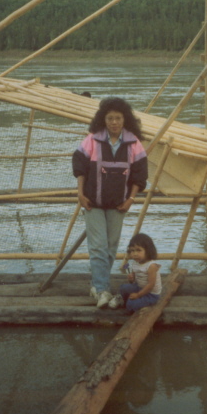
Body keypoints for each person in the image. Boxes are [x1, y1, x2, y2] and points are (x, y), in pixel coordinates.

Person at [72, 97, 148, 308]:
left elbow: (140, 175)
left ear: (125, 120)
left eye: (118, 118)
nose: (114, 122)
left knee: (111, 248)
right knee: (98, 247)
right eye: (110, 118)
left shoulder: (134, 143)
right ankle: (103, 290)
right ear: (103, 119)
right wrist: (80, 194)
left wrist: (130, 199)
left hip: (118, 205)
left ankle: (97, 287)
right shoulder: (92, 140)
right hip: (92, 203)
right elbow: (79, 166)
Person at [109, 233, 162, 313]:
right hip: (140, 288)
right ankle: (122, 300)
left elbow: (151, 285)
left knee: (131, 305)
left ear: (148, 251)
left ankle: (135, 303)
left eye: (138, 250)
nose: (135, 253)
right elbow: (134, 281)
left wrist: (138, 295)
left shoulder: (151, 266)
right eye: (132, 251)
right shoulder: (135, 263)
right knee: (123, 287)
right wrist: (131, 279)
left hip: (151, 294)